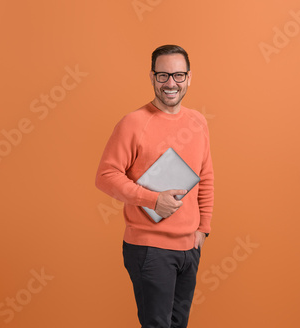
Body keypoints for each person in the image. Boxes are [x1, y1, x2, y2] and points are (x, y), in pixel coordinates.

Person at [95, 44, 214, 328]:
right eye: (162, 76)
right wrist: (152, 199)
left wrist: (203, 229)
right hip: (150, 249)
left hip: (189, 248)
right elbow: (105, 176)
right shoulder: (133, 123)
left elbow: (206, 175)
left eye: (178, 75)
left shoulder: (198, 121)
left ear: (189, 78)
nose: (170, 83)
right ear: (151, 77)